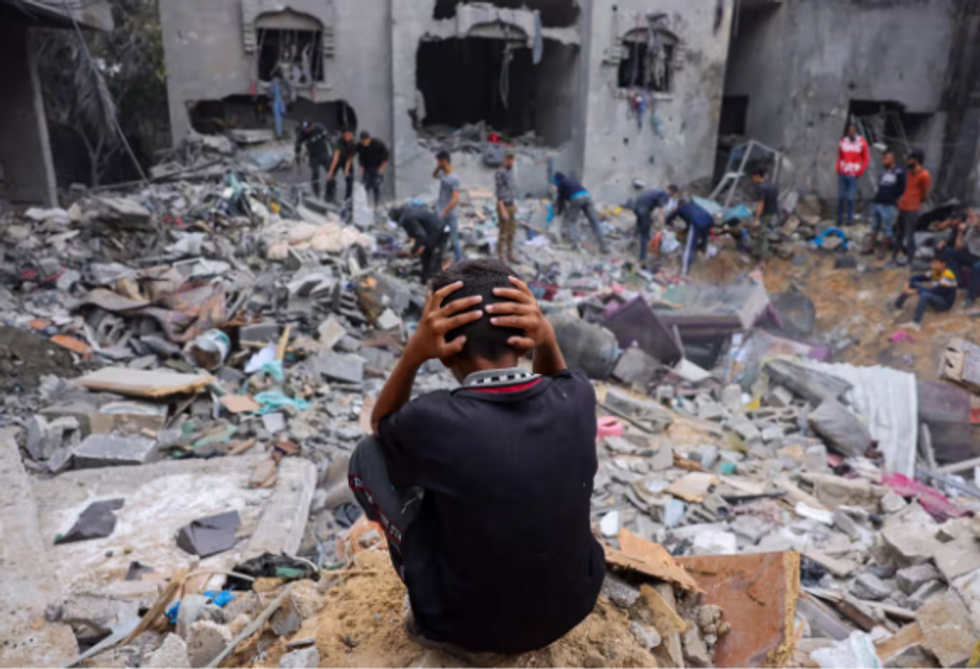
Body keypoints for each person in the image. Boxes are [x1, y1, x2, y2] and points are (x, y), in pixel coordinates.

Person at [347, 260, 604, 657]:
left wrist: (413, 355)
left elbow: (380, 426)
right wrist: (547, 341)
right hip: (568, 609)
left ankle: (425, 581)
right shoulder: (580, 399)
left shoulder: (432, 419)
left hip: (461, 626)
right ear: (526, 334)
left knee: (369, 455)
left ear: (444, 349)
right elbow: (560, 383)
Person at [894, 255, 957, 330]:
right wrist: (907, 286)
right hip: (936, 297)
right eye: (933, 263)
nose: (933, 265)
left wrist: (914, 291)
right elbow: (916, 277)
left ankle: (916, 323)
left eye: (936, 263)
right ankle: (897, 305)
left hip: (944, 303)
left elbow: (934, 291)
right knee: (913, 284)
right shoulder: (935, 272)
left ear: (943, 264)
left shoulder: (948, 275)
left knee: (925, 295)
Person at [389, 205, 448, 284]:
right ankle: (424, 280)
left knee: (431, 256)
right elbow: (418, 231)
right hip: (437, 228)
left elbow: (421, 236)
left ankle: (433, 281)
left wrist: (414, 250)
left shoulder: (407, 218)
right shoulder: (408, 209)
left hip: (438, 231)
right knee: (426, 256)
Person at [863, 151, 906, 257]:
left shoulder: (898, 172)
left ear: (893, 160)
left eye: (887, 158)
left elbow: (902, 188)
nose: (884, 160)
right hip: (878, 202)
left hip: (888, 204)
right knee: (874, 226)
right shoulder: (883, 173)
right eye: (884, 158)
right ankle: (871, 247)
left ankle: (883, 250)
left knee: (887, 228)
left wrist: (897, 199)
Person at [893, 149, 932, 266]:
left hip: (913, 209)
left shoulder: (924, 175)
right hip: (903, 206)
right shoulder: (909, 174)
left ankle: (910, 260)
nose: (907, 162)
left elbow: (925, 194)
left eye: (910, 159)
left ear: (916, 160)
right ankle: (894, 257)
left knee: (910, 235)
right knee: (899, 233)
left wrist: (916, 202)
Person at [553, 172, 608, 254]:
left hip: (576, 198)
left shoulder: (560, 184)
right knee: (594, 222)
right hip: (587, 196)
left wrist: (557, 212)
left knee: (572, 221)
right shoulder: (572, 181)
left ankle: (573, 244)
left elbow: (560, 201)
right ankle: (604, 246)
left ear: (557, 180)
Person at [936, 208, 980, 307]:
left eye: (975, 217)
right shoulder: (972, 230)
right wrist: (960, 232)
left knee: (977, 267)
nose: (972, 219)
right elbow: (958, 247)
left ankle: (970, 297)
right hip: (971, 254)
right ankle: (957, 282)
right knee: (949, 252)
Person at [666, 193, 715, 276]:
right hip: (710, 220)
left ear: (679, 204)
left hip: (697, 223)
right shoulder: (692, 205)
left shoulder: (680, 209)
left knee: (689, 248)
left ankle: (685, 272)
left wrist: (668, 222)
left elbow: (670, 218)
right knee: (704, 237)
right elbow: (689, 221)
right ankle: (704, 248)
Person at [836, 123, 870, 227]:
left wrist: (859, 171)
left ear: (856, 132)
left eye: (853, 130)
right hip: (843, 173)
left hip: (853, 175)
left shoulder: (862, 143)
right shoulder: (843, 142)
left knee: (851, 198)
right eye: (849, 130)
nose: (851, 132)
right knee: (841, 197)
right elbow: (840, 156)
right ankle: (839, 219)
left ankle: (850, 220)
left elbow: (866, 159)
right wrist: (838, 168)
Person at [627, 186, 673, 263]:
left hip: (636, 206)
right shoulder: (665, 195)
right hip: (643, 209)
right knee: (645, 234)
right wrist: (662, 223)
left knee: (640, 225)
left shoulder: (656, 189)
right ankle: (642, 257)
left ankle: (631, 242)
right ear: (672, 191)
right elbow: (661, 210)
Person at [743, 167, 779, 260]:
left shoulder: (762, 187)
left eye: (753, 177)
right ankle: (760, 251)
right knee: (764, 230)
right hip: (772, 212)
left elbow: (761, 205)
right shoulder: (771, 184)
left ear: (758, 176)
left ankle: (763, 256)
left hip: (765, 213)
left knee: (761, 234)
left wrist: (756, 218)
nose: (752, 179)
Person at [434, 151, 462, 262]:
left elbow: (455, 199)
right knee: (440, 237)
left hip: (450, 214)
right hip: (440, 211)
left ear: (444, 161)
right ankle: (439, 258)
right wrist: (438, 167)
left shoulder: (454, 178)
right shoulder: (442, 174)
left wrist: (444, 211)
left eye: (439, 161)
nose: (438, 163)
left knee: (454, 239)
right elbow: (434, 175)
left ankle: (459, 261)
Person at [294, 121, 331, 199]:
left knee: (331, 172)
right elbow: (297, 151)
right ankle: (316, 192)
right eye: (305, 130)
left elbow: (329, 139)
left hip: (323, 153)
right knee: (315, 173)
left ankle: (330, 193)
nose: (306, 131)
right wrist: (299, 166)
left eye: (307, 129)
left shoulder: (319, 128)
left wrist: (333, 153)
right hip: (313, 156)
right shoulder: (303, 134)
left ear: (311, 127)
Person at [495, 151, 518, 263]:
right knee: (503, 233)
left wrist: (514, 204)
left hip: (511, 204)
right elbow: (499, 193)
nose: (511, 162)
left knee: (512, 231)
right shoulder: (500, 172)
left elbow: (511, 189)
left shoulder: (511, 172)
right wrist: (502, 209)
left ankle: (510, 254)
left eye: (512, 159)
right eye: (509, 159)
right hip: (503, 205)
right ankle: (501, 256)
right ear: (505, 160)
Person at [357, 131, 390, 207]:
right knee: (365, 185)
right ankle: (364, 203)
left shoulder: (377, 143)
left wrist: (383, 166)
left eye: (366, 141)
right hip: (366, 167)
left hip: (377, 166)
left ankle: (377, 203)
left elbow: (386, 153)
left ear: (369, 139)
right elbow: (359, 157)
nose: (365, 143)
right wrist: (360, 171)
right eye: (363, 141)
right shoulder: (360, 146)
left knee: (376, 185)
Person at [326, 128, 357, 205]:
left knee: (350, 179)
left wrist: (346, 171)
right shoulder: (339, 142)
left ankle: (347, 201)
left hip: (347, 159)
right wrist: (330, 172)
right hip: (338, 158)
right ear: (343, 135)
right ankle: (329, 197)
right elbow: (335, 159)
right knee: (331, 176)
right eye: (346, 135)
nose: (348, 136)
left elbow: (350, 159)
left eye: (349, 135)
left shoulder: (353, 143)